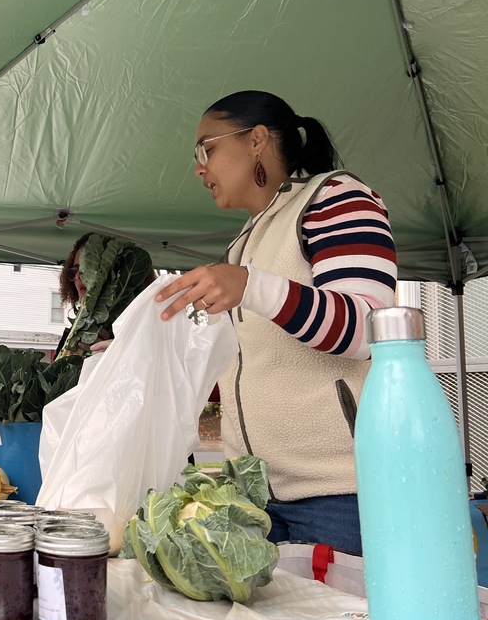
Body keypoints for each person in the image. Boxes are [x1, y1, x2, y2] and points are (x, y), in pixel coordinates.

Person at [156, 90, 397, 555]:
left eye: (206, 148)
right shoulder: (247, 240)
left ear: (257, 140)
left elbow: (367, 326)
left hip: (339, 494)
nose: (198, 168)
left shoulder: (336, 198)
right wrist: (150, 352)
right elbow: (245, 359)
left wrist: (252, 286)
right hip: (254, 495)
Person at [56, 231, 156, 356]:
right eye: (74, 270)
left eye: (88, 267)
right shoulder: (73, 333)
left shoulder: (144, 329)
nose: (78, 276)